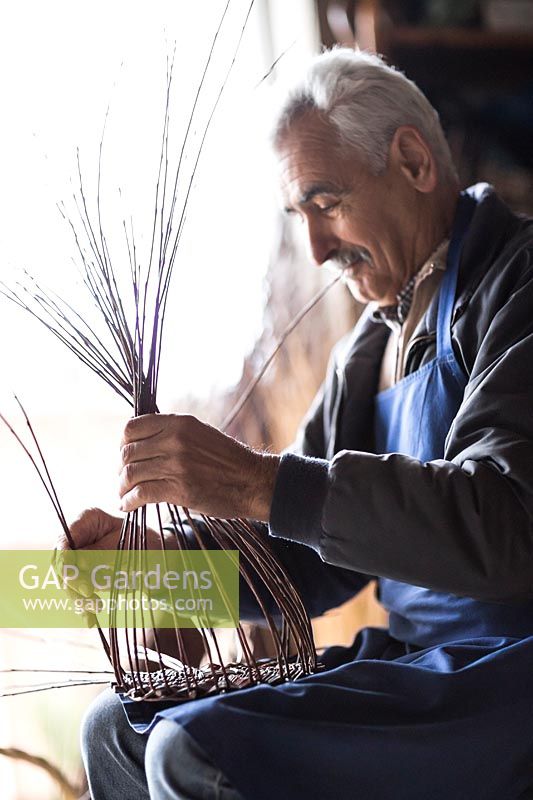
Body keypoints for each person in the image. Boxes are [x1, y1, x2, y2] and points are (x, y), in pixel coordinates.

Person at [75, 48, 533, 799]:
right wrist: (164, 574)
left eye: (326, 204)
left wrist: (255, 480)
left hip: (507, 673)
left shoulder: (519, 284)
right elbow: (311, 552)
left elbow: (508, 523)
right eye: (301, 216)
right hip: (424, 670)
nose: (316, 249)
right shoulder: (375, 341)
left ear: (413, 161)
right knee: (117, 730)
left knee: (195, 751)